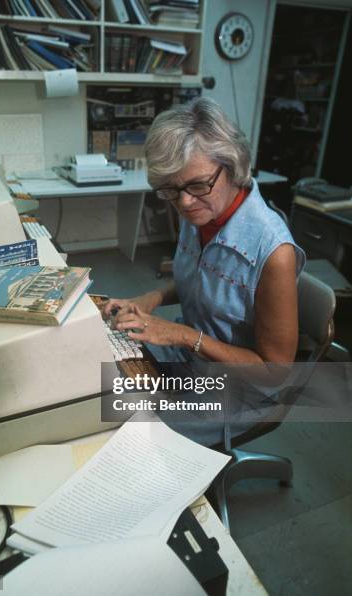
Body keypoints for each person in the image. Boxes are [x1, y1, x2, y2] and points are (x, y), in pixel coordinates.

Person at [104, 98, 305, 445]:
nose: (183, 203)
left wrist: (181, 335)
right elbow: (200, 277)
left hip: (240, 390)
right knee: (103, 374)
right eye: (171, 189)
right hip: (192, 360)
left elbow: (274, 373)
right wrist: (149, 298)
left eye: (197, 185)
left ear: (232, 167)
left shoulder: (274, 252)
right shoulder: (201, 211)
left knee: (130, 432)